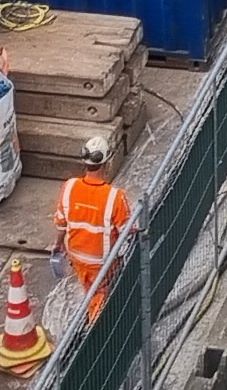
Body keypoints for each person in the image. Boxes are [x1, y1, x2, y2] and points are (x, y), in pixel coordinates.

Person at [55, 136, 133, 319]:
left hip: (77, 257)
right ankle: (95, 329)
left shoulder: (69, 187)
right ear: (106, 164)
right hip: (102, 263)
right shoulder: (115, 197)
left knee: (89, 289)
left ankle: (92, 311)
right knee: (100, 296)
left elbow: (61, 223)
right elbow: (127, 233)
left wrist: (57, 245)